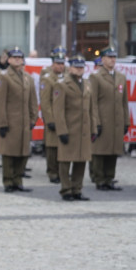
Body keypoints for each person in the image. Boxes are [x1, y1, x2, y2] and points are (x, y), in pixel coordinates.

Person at [0, 47, 37, 192]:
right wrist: (2, 123)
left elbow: (32, 100)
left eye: (20, 57)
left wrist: (33, 118)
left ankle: (18, 180)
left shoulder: (28, 78)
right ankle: (8, 181)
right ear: (9, 60)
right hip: (10, 122)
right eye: (15, 57)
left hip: (24, 123)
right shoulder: (4, 77)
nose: (18, 60)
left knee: (23, 153)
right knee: (9, 154)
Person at [53, 56, 96, 201]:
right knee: (65, 160)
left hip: (83, 130)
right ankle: (66, 189)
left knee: (81, 160)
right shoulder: (62, 84)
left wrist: (93, 128)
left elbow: (91, 109)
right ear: (70, 68)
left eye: (81, 67)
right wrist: (62, 130)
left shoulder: (87, 83)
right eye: (76, 67)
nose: (79, 69)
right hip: (69, 128)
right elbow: (58, 111)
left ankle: (77, 189)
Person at [89, 47, 127, 191]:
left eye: (114, 57)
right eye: (109, 57)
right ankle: (99, 179)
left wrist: (126, 121)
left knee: (113, 151)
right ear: (103, 59)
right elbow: (93, 101)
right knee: (100, 151)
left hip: (117, 121)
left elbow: (124, 101)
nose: (112, 60)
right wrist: (96, 122)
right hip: (103, 120)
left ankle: (109, 178)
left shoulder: (120, 77)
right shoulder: (96, 77)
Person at [40, 48, 68, 184]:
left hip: (66, 117)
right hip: (53, 116)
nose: (60, 66)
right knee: (52, 146)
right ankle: (52, 172)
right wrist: (49, 119)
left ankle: (63, 172)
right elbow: (45, 102)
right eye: (58, 63)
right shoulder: (47, 79)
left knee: (64, 146)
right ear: (53, 64)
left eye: (62, 63)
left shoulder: (68, 77)